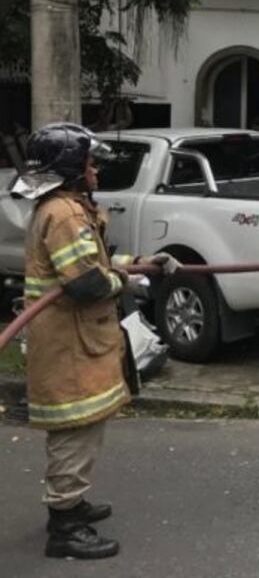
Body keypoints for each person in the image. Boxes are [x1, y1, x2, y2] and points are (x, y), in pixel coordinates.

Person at [13, 123, 180, 559]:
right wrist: (131, 282)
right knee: (74, 430)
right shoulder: (65, 215)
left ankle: (72, 504)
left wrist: (143, 261)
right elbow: (87, 283)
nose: (96, 172)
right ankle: (65, 526)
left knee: (84, 429)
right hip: (69, 342)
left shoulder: (66, 209)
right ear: (71, 168)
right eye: (90, 164)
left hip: (74, 339)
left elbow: (96, 261)